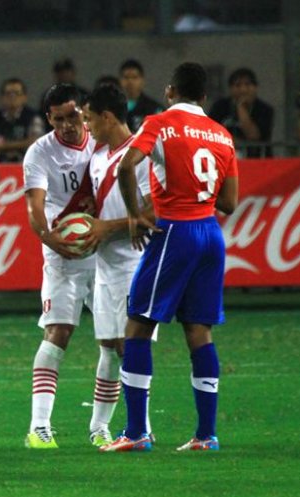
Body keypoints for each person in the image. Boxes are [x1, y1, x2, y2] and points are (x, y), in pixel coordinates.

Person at [101, 62, 238, 452]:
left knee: (137, 326)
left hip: (174, 231)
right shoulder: (222, 134)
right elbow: (228, 202)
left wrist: (134, 213)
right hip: (210, 234)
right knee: (199, 330)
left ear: (169, 91)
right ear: (205, 97)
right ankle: (206, 435)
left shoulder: (160, 123)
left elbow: (127, 165)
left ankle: (136, 432)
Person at [22, 83, 97, 449]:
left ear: (85, 109)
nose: (67, 125)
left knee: (118, 339)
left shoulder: (103, 142)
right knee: (58, 332)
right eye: (58, 119)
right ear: (49, 119)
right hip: (62, 253)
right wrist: (52, 241)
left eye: (72, 116)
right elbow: (35, 208)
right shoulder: (40, 153)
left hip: (105, 252)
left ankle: (104, 428)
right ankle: (39, 427)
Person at [80, 84, 156, 447]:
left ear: (108, 117)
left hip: (136, 262)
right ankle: (99, 428)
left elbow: (156, 210)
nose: (87, 126)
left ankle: (139, 428)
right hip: (106, 265)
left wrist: (104, 229)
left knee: (132, 345)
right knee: (109, 346)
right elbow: (104, 208)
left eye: (90, 118)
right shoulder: (98, 156)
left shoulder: (142, 154)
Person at [208, 68, 274, 158]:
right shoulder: (219, 107)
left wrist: (241, 107)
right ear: (230, 89)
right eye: (238, 85)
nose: (243, 90)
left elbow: (254, 136)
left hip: (256, 161)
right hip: (224, 157)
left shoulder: (265, 109)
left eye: (247, 85)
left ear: (255, 87)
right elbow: (211, 132)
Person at [0, 78, 45, 162]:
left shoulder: (33, 117)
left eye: (17, 93)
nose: (12, 97)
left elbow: (37, 142)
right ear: (1, 97)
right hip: (0, 165)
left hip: (27, 164)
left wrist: (5, 146)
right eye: (8, 94)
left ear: (24, 97)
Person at [119, 59, 164, 133]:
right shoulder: (113, 108)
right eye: (126, 77)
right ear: (120, 80)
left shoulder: (154, 109)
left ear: (142, 80)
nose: (130, 82)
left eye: (134, 77)